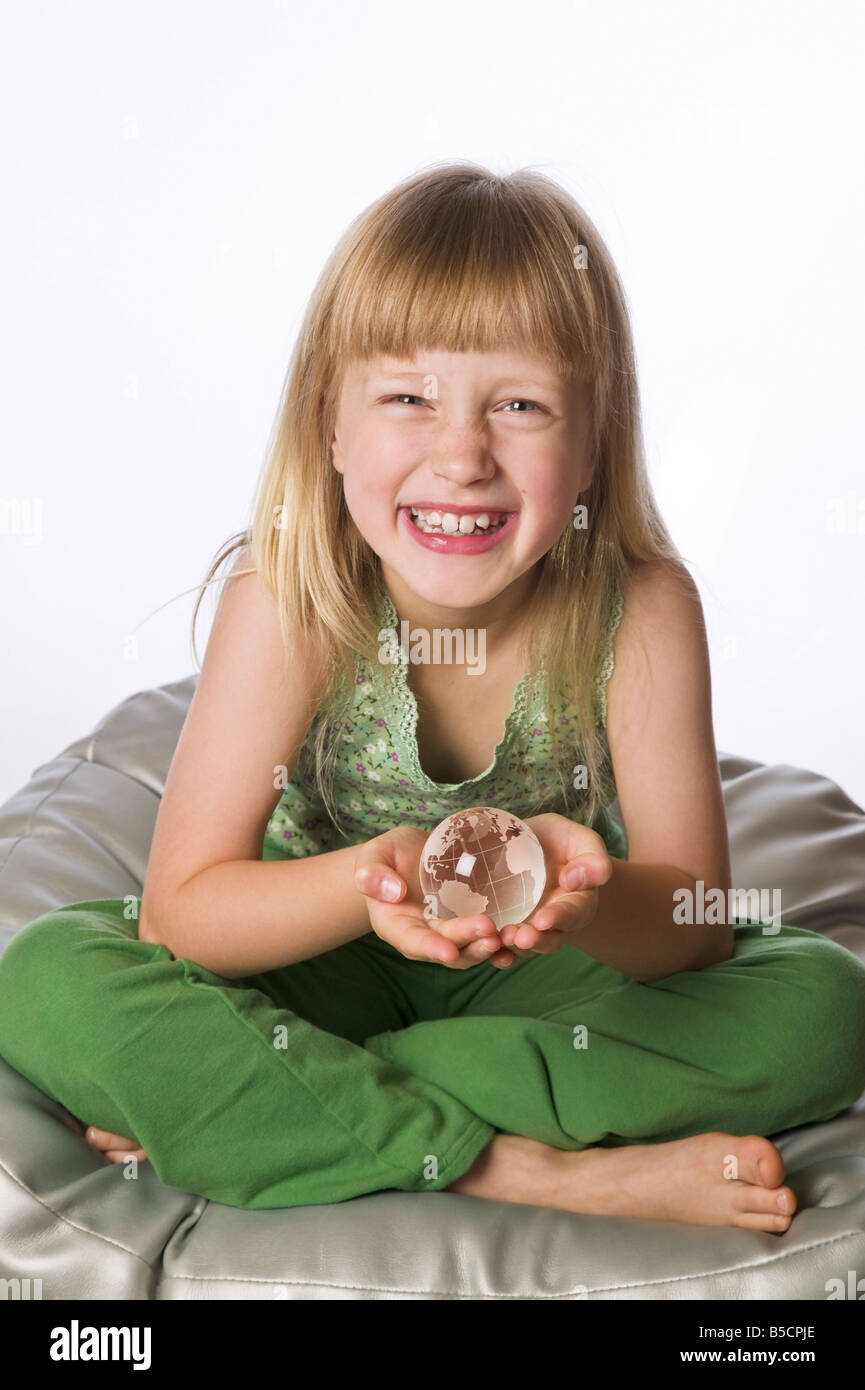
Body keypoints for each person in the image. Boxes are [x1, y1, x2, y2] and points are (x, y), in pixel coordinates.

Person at [2, 162, 864, 1229]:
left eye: (519, 405)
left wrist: (586, 888)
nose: (461, 455)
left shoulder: (637, 606)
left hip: (535, 985)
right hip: (311, 970)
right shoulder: (290, 597)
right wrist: (369, 886)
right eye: (407, 398)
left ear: (593, 441)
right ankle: (513, 1165)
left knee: (825, 1005)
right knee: (45, 974)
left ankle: (306, 1096)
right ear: (330, 424)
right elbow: (187, 912)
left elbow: (691, 926)